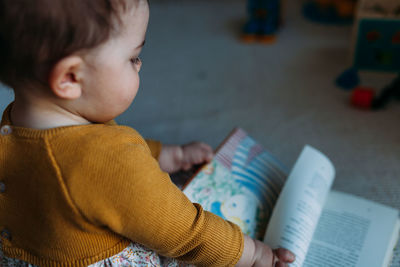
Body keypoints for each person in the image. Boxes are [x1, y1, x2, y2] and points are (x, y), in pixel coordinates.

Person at [0, 0, 295, 266]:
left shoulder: (12, 123)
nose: (140, 65)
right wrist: (255, 255)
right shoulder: (106, 160)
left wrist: (165, 154)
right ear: (70, 78)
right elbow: (186, 232)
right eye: (132, 58)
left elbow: (116, 162)